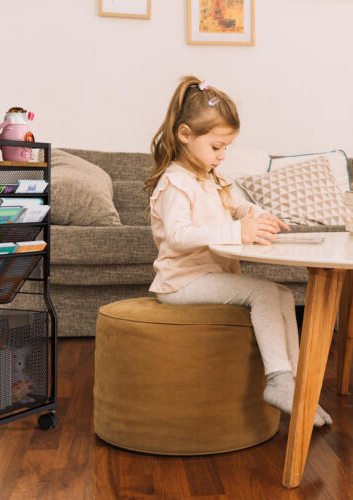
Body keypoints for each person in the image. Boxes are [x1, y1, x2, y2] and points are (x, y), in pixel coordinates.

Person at [144, 76, 332, 427]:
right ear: (185, 134)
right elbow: (178, 236)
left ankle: (296, 387)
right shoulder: (176, 182)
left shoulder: (209, 177)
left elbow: (236, 206)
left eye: (226, 148)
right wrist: (237, 231)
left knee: (283, 293)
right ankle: (278, 380)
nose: (222, 155)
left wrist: (256, 214)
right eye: (217, 147)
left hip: (208, 276)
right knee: (264, 293)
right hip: (181, 282)